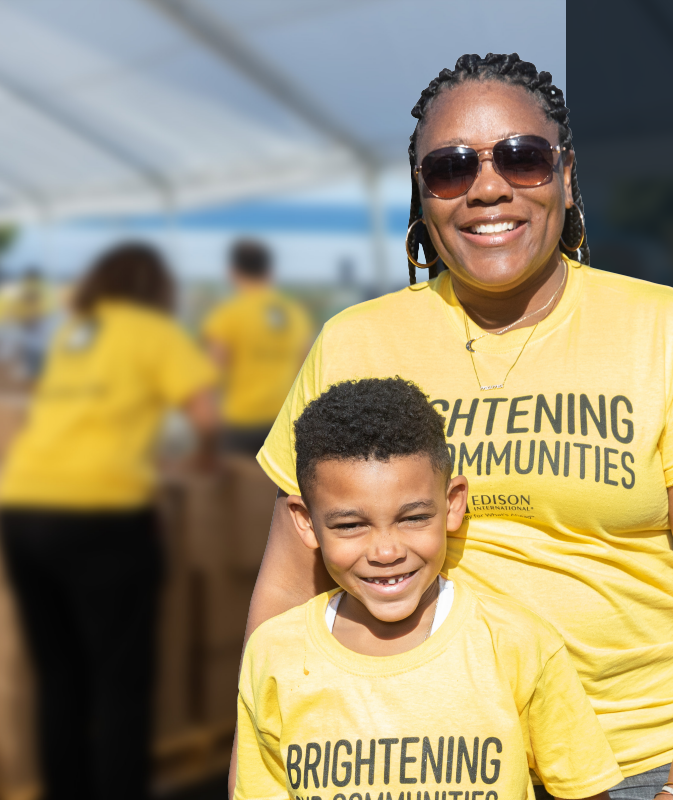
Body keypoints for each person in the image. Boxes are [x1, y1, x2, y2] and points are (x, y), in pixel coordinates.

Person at [234, 54, 673, 800]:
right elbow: (287, 585)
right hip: (413, 761)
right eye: (449, 169)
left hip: (636, 760)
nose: (487, 186)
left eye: (520, 157)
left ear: (564, 174)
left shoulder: (657, 329)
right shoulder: (353, 342)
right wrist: (275, 747)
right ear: (422, 195)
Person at [236, 377, 622, 800]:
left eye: (413, 518)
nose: (386, 551)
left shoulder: (517, 644)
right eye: (350, 525)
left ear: (454, 502)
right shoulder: (274, 654)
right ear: (306, 521)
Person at [0, 243, 219, 800]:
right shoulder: (153, 331)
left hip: (24, 509)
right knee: (120, 681)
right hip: (102, 514)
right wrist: (200, 460)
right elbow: (204, 414)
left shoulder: (73, 334)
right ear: (155, 287)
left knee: (60, 676)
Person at [202, 239, 313, 457]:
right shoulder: (295, 314)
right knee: (281, 490)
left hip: (240, 422)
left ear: (233, 272)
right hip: (285, 421)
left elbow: (211, 373)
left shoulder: (226, 315)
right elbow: (306, 370)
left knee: (242, 488)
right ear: (269, 271)